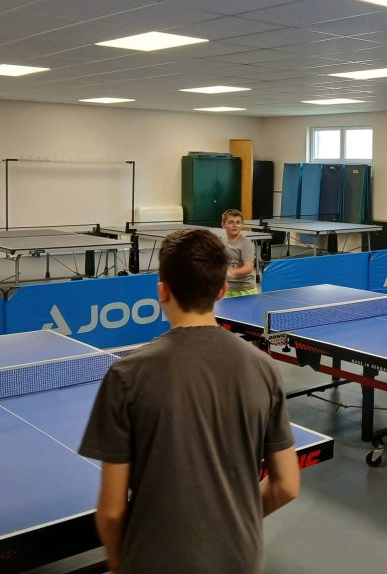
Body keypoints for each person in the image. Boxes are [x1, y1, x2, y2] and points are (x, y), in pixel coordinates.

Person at [79, 228, 299, 574]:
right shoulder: (265, 368)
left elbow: (111, 512)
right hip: (238, 558)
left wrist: (122, 566)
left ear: (162, 291)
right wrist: (229, 525)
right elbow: (286, 485)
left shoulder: (126, 375)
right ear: (222, 290)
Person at [222, 208, 258, 296]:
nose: (235, 225)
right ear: (223, 224)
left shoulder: (246, 243)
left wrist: (233, 272)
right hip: (227, 288)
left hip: (245, 289)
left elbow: (248, 267)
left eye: (238, 222)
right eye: (231, 222)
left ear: (242, 225)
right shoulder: (221, 242)